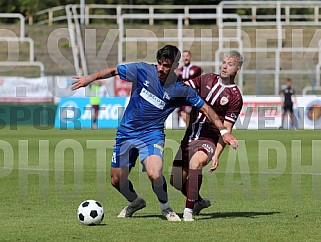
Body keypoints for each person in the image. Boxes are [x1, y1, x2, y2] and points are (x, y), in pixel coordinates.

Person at [71, 45, 238, 221]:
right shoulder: (142, 70)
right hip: (126, 133)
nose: (161, 68)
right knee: (116, 180)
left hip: (152, 135)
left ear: (175, 66)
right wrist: (89, 78)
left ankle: (165, 207)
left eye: (166, 65)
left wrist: (223, 131)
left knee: (155, 173)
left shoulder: (180, 89)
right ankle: (135, 202)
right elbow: (114, 71)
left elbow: (205, 108)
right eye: (159, 63)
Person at [170, 50, 244, 221]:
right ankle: (198, 201)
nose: (225, 66)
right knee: (175, 181)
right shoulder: (207, 78)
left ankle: (188, 212)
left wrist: (216, 155)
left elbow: (227, 129)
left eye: (230, 64)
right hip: (190, 135)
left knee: (197, 163)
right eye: (224, 62)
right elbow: (185, 86)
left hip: (209, 138)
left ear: (238, 69)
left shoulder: (235, 97)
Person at [175, 50, 203, 127]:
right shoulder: (179, 70)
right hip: (182, 96)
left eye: (187, 56)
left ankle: (192, 128)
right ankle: (190, 128)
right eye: (184, 56)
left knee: (190, 114)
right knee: (183, 113)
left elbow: (201, 82)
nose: (185, 58)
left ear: (190, 57)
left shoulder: (196, 69)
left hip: (192, 96)